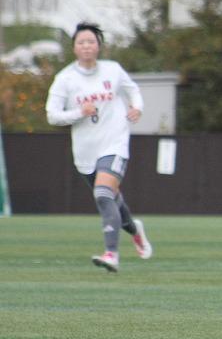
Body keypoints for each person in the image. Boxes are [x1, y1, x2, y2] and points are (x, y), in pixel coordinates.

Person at [45, 22, 153, 272]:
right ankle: (135, 230)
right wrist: (78, 112)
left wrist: (137, 107)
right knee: (113, 200)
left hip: (114, 143)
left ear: (99, 46)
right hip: (85, 153)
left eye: (91, 42)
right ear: (74, 48)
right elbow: (52, 116)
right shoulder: (65, 79)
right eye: (81, 42)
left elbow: (132, 90)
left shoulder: (112, 71)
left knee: (103, 194)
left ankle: (111, 255)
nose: (86, 46)